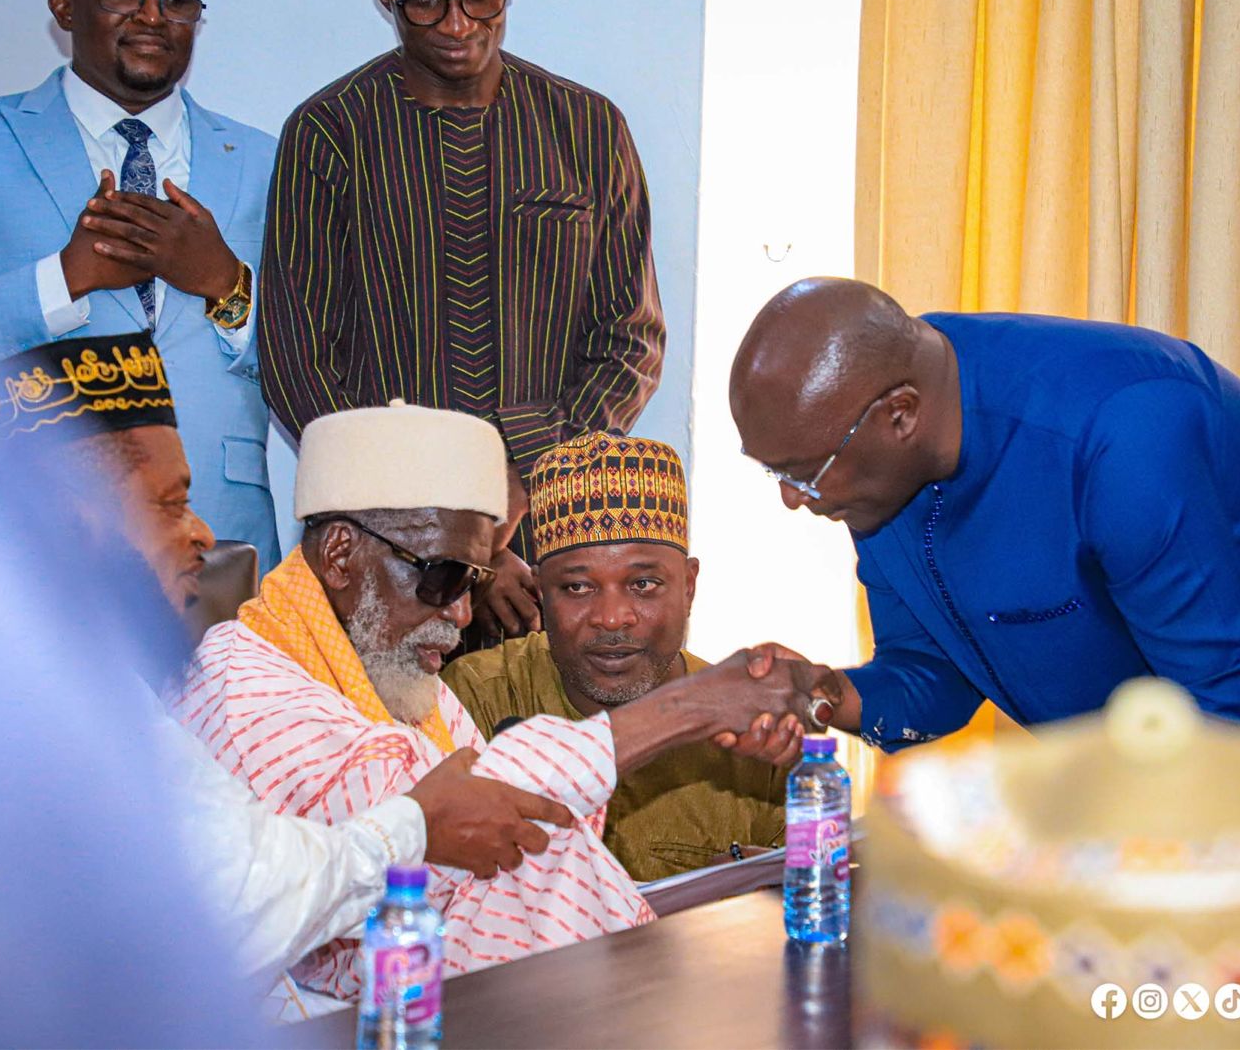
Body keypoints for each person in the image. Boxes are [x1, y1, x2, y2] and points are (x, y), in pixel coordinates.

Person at [729, 276, 1240, 899]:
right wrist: (821, 693)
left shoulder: (1122, 430)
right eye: (775, 473)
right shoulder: (870, 468)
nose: (794, 499)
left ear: (901, 415)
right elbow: (934, 677)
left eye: (802, 473)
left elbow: (1223, 712)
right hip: (1188, 702)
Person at [0, 335, 580, 1019]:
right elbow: (242, 909)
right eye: (170, 504)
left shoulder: (109, 694)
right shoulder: (221, 687)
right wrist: (415, 827)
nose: (202, 533)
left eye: (473, 580)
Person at [168, 401, 828, 1005]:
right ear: (341, 555)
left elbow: (516, 838)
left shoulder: (400, 684)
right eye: (443, 576)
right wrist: (693, 709)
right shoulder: (240, 688)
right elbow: (445, 819)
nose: (459, 614)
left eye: (474, 583)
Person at [258, 0, 665, 643]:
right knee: (389, 742)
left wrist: (522, 479)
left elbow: (631, 340)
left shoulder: (589, 129)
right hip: (384, 557)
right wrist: (444, 522)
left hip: (554, 550)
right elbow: (296, 362)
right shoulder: (330, 132)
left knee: (547, 743)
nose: (457, 24)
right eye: (427, 1)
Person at [0, 0, 279, 567]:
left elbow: (316, 359)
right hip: (33, 543)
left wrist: (228, 286)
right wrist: (61, 281)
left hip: (227, 534)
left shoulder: (264, 159)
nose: (153, 16)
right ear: (64, 7)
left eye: (176, 1)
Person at [445, 431, 788, 880]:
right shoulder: (476, 699)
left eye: (643, 584)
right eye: (577, 588)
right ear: (540, 592)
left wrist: (758, 889)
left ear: (689, 585)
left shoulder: (754, 730)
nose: (611, 618)